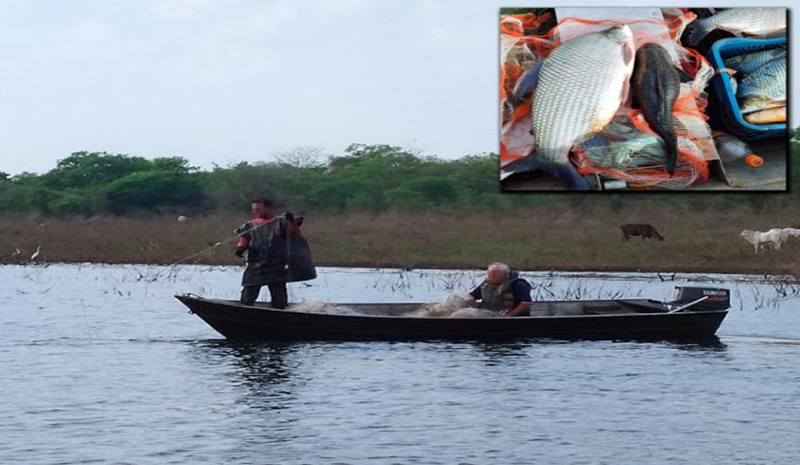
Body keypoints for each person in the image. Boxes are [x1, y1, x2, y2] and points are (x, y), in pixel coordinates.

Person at [234, 198, 316, 308]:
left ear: (268, 208)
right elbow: (244, 238)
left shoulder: (280, 222)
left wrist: (291, 220)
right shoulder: (250, 225)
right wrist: (241, 248)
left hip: (276, 264)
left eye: (259, 209)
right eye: (254, 209)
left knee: (278, 294)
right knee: (249, 290)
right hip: (255, 264)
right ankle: (244, 309)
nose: (256, 211)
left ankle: (280, 311)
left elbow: (293, 234)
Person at [465, 263, 532, 316]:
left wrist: (510, 315)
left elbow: (526, 303)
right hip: (487, 314)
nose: (493, 279)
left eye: (496, 276)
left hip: (508, 315)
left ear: (505, 275)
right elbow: (471, 295)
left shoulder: (517, 284)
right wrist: (470, 300)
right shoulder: (486, 284)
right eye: (491, 276)